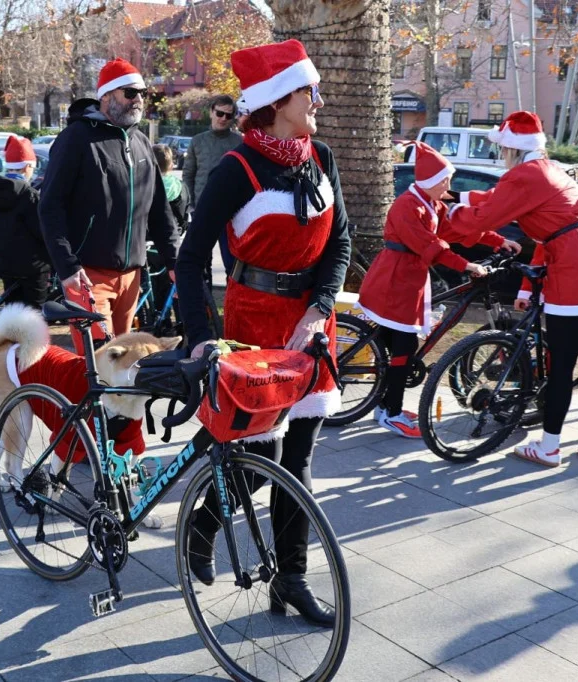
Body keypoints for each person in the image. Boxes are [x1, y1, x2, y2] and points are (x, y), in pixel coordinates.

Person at [175, 39, 350, 627]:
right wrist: (200, 333)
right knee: (256, 453)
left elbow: (340, 242)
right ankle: (202, 526)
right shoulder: (237, 169)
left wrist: (319, 306)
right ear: (277, 100)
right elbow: (191, 255)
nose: (317, 99)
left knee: (297, 458)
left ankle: (290, 578)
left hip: (309, 326)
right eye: (309, 90)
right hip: (254, 325)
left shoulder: (320, 155)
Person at [446, 111, 578, 469]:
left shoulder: (524, 174)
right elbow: (500, 198)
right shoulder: (549, 168)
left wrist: (448, 215)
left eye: (503, 150)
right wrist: (461, 196)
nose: (502, 157)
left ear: (513, 149)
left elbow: (489, 215)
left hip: (574, 268)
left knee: (560, 364)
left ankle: (548, 447)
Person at [357, 142, 519, 438]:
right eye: (445, 180)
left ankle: (384, 406)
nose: (449, 184)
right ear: (431, 181)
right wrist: (467, 266)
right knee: (403, 348)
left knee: (397, 347)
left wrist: (497, 240)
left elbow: (457, 230)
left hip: (405, 279)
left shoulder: (430, 203)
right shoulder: (408, 205)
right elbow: (431, 246)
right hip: (394, 281)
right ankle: (391, 413)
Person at [39, 58, 180, 350]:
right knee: (100, 359)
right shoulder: (75, 139)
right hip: (88, 276)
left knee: (123, 365)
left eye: (142, 93)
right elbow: (50, 206)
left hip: (131, 275)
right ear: (106, 96)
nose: (139, 100)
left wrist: (175, 260)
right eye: (130, 93)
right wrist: (67, 267)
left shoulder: (141, 141)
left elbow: (159, 209)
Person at [0, 136, 52, 310]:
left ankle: (15, 338)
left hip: (6, 262)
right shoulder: (29, 194)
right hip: (33, 267)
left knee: (14, 313)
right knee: (35, 316)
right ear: (27, 166)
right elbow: (41, 231)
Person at [182, 94, 242, 273]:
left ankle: (232, 298)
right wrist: (190, 206)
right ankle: (203, 300)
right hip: (202, 209)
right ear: (211, 112)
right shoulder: (197, 141)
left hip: (232, 214)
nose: (223, 118)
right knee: (199, 263)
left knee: (232, 263)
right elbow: (188, 176)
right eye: (219, 113)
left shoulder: (240, 142)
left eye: (228, 115)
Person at [152, 144, 190, 232]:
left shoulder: (147, 185)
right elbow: (186, 211)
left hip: (150, 235)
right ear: (171, 164)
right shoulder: (181, 185)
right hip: (175, 232)